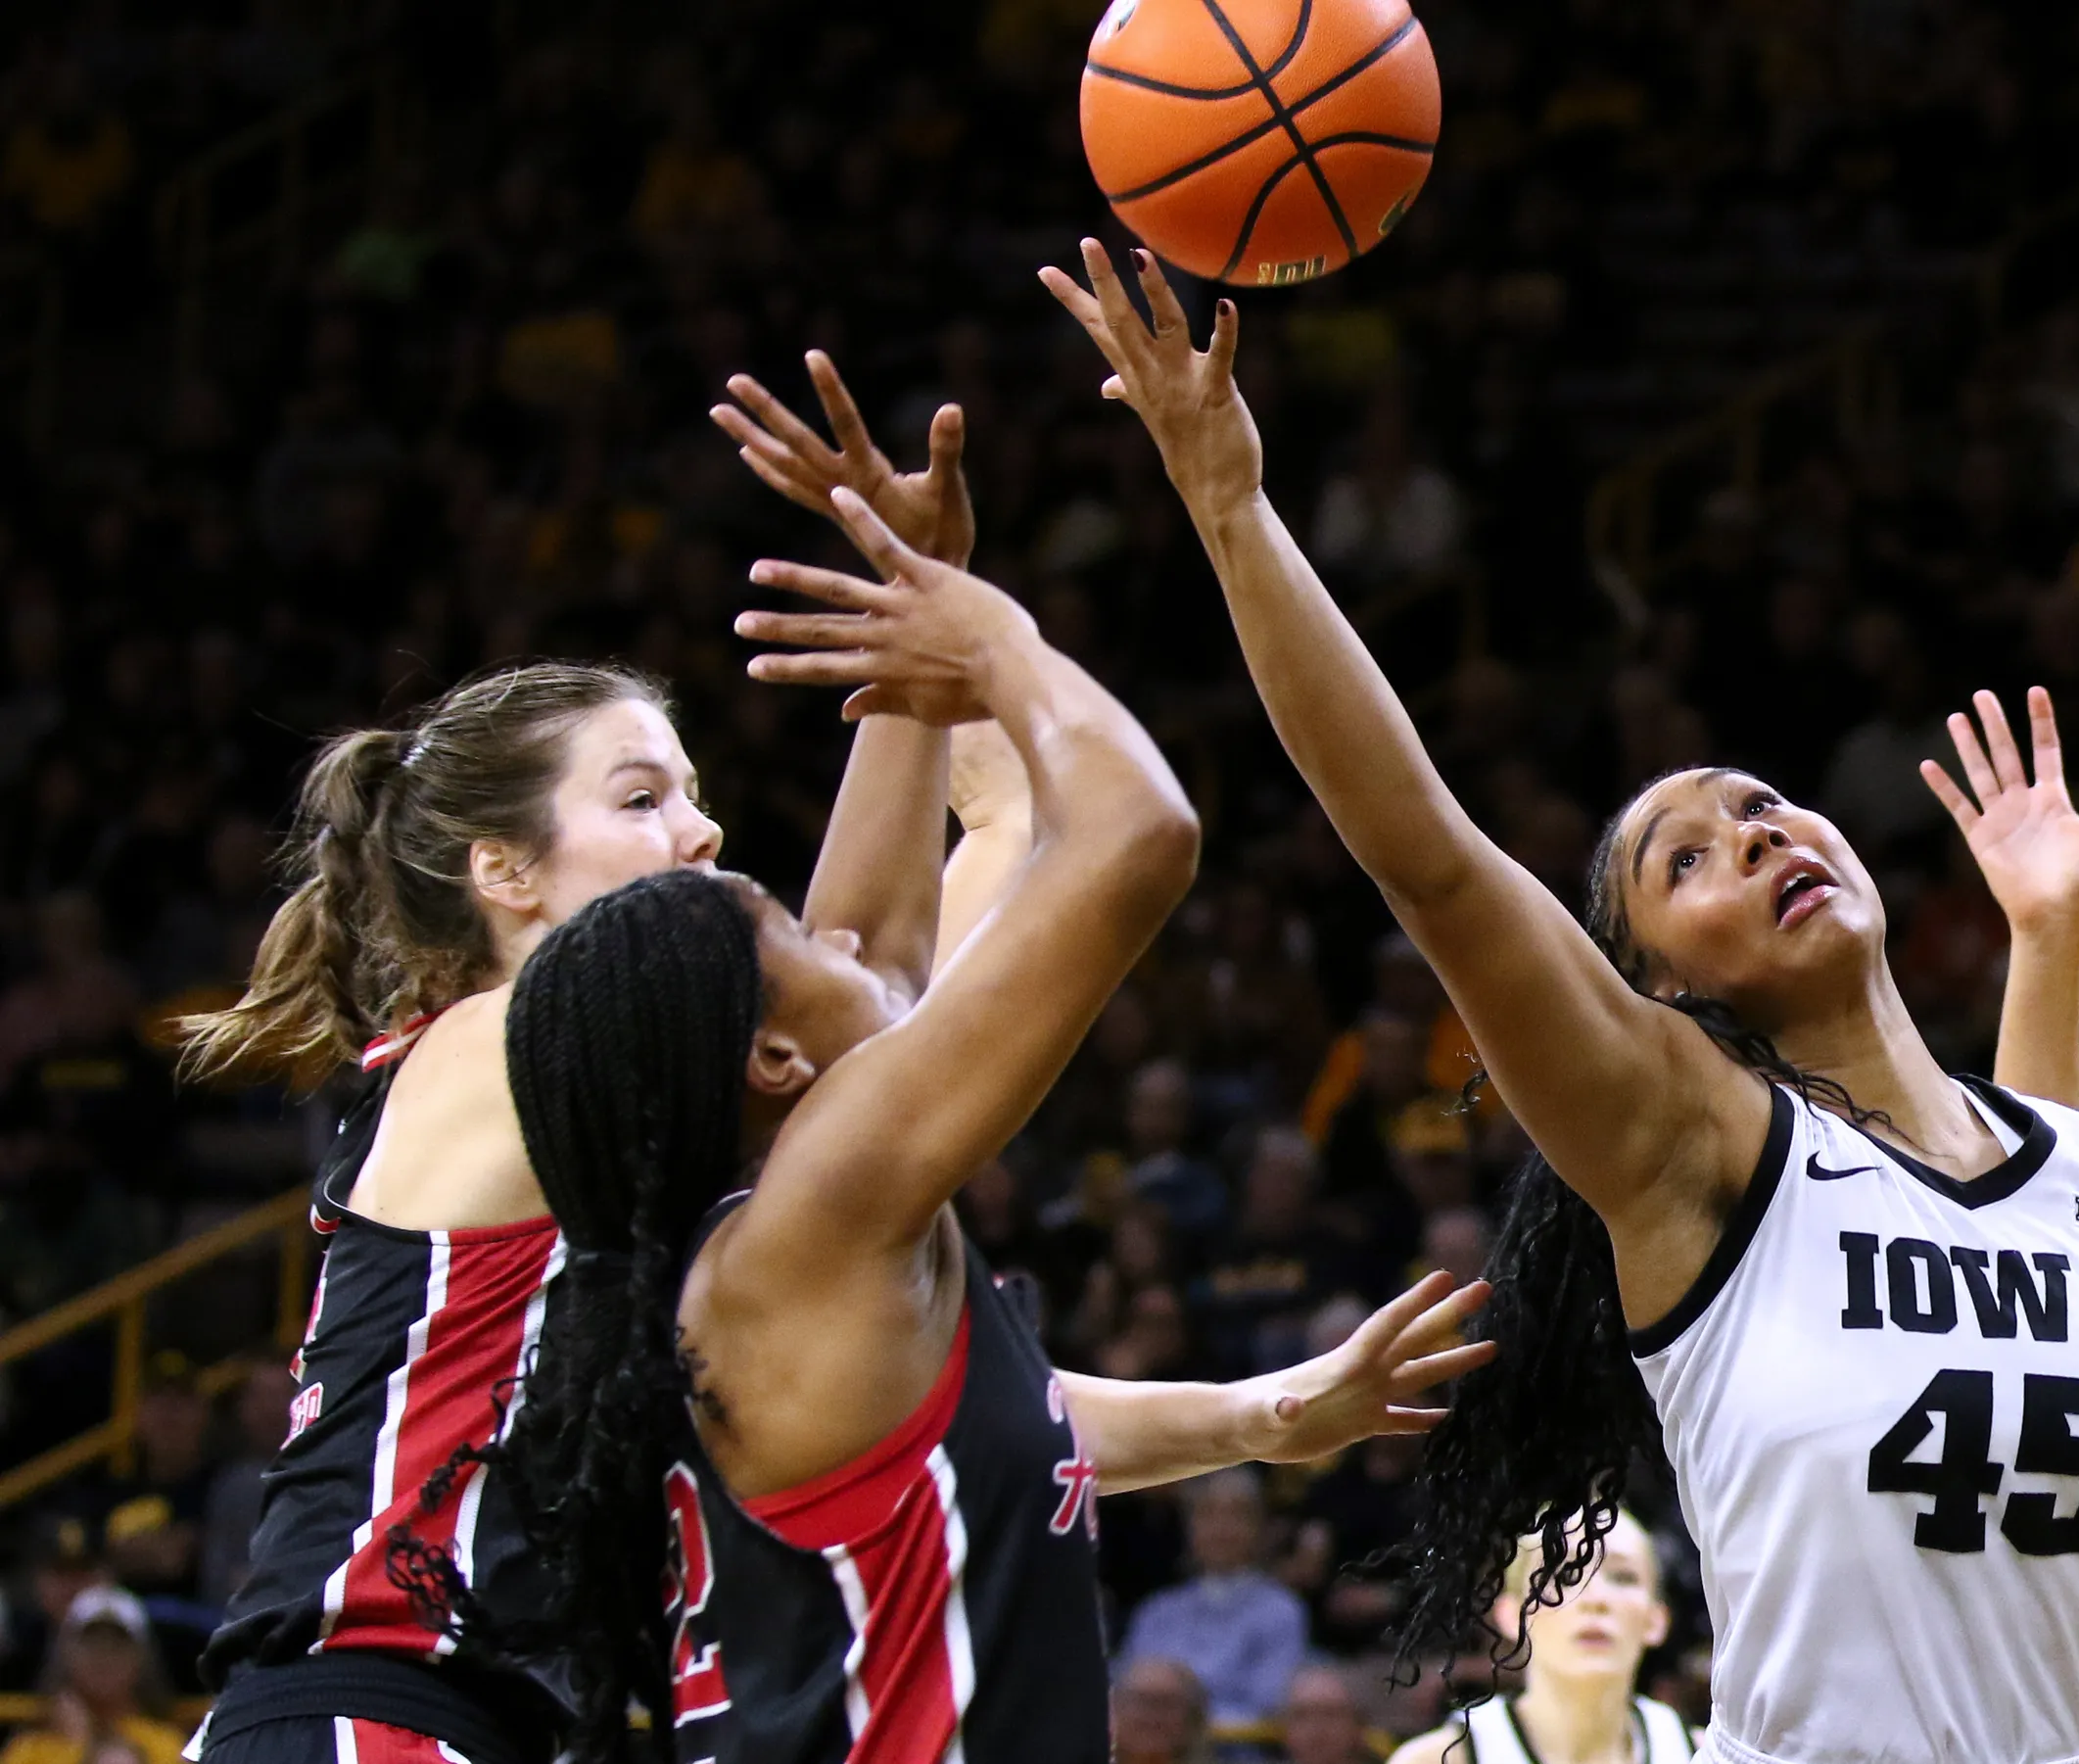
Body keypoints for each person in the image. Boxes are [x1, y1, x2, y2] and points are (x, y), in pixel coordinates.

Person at [1038, 239, 2079, 1764]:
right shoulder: (1691, 1148)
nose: (1760, 836)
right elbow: (1428, 855)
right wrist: (1233, 508)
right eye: (1689, 856)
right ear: (1655, 985)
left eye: (1767, 805)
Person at [412, 486, 1491, 1764]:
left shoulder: (767, 1255)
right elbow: (1139, 833)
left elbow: (999, 1415)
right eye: (787, 925)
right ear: (774, 1061)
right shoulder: (819, 1216)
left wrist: (1260, 1417)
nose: (836, 936)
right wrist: (988, 638)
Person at [167, 352, 974, 1764]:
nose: (701, 831)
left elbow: (855, 998)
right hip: (373, 1711)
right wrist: (932, 651)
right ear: (505, 871)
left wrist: (1258, 1415)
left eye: (695, 795)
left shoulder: (560, 1076)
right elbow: (868, 1008)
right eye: (642, 797)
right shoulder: (511, 1043)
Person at [1385, 1509, 1698, 1764]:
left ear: (1656, 1620)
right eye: (1565, 1575)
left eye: (1622, 1577)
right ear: (1511, 1615)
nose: (1596, 1598)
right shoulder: (1436, 1759)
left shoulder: (1704, 1755)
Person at [1119, 1467, 1312, 1728]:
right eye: (1207, 1513)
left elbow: (1268, 1704)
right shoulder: (1156, 1611)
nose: (1221, 1528)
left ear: (1261, 1528)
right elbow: (1129, 1696)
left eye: (1237, 1514)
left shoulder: (1281, 1611)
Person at [0, 1590, 186, 1764]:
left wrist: (84, 1741)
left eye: (117, 1646)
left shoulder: (165, 1746)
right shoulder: (29, 1750)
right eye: (91, 1644)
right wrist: (75, 1745)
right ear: (67, 1653)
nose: (103, 1657)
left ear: (140, 1658)